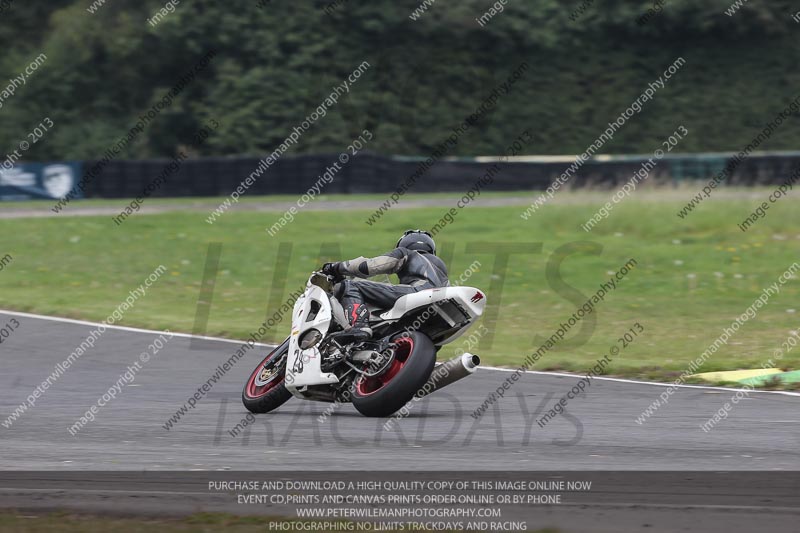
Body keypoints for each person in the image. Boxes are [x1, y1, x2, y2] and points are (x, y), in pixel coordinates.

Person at [321, 229, 449, 341]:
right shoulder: (442, 267)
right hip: (439, 309)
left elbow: (366, 267)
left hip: (417, 293)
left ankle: (359, 326)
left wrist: (335, 267)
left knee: (349, 285)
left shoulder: (407, 253)